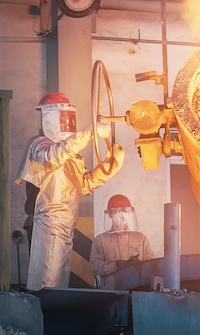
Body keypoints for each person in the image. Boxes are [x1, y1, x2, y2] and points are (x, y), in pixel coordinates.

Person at [16, 91, 124, 290]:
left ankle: (51, 315)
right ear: (50, 116)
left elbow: (81, 186)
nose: (67, 124)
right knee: (44, 283)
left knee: (58, 283)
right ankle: (40, 315)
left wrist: (108, 167)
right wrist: (88, 133)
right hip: (45, 222)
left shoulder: (72, 155)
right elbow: (53, 157)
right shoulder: (39, 145)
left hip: (65, 224)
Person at [90, 194, 155, 284]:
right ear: (110, 214)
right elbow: (95, 267)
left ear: (129, 212)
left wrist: (138, 265)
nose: (122, 214)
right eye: (117, 210)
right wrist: (116, 265)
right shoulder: (100, 240)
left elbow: (151, 264)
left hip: (137, 287)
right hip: (112, 291)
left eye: (125, 210)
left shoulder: (141, 238)